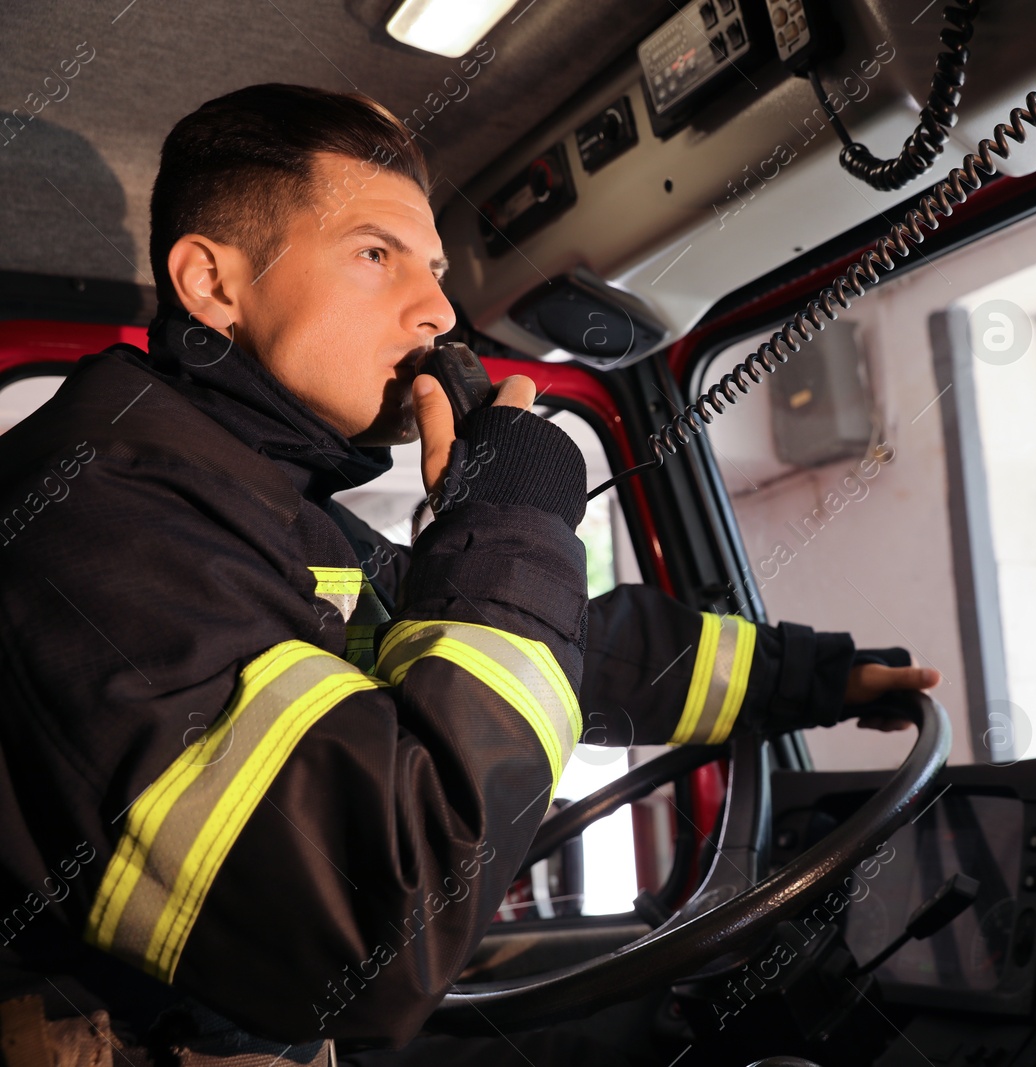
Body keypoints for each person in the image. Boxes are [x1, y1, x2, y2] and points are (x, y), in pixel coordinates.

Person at [0, 84, 939, 1066]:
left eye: (437, 269)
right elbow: (380, 922)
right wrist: (509, 514)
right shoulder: (98, 521)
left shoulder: (259, 506)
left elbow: (533, 640)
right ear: (213, 283)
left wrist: (805, 677)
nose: (440, 309)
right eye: (375, 253)